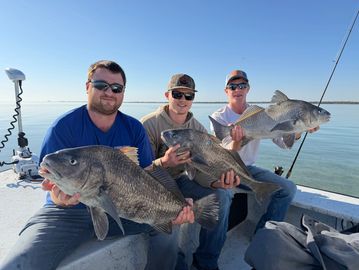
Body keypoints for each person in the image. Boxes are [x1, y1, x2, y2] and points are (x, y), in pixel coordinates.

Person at [1, 60, 194, 270]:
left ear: (123, 92)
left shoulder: (134, 128)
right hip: (69, 212)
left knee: (169, 229)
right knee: (18, 264)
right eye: (101, 85)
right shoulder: (63, 127)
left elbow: (146, 174)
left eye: (116, 88)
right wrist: (59, 198)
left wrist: (174, 205)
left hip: (124, 208)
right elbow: (52, 183)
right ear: (87, 87)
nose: (109, 92)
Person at [140, 73, 241, 270]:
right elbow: (139, 172)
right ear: (167, 95)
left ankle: (206, 260)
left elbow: (201, 170)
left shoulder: (198, 129)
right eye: (177, 94)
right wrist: (164, 161)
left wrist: (218, 183)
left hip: (182, 180)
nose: (183, 100)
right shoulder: (148, 125)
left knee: (223, 196)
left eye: (189, 96)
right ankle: (175, 262)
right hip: (152, 187)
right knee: (171, 215)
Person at [210, 69, 319, 232]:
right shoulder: (219, 117)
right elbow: (221, 153)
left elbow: (283, 144)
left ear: (248, 88)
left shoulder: (263, 114)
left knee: (288, 189)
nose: (238, 89)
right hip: (225, 168)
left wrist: (299, 129)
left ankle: (263, 234)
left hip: (249, 170)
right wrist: (237, 141)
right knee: (223, 197)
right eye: (233, 86)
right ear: (226, 91)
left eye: (242, 85)